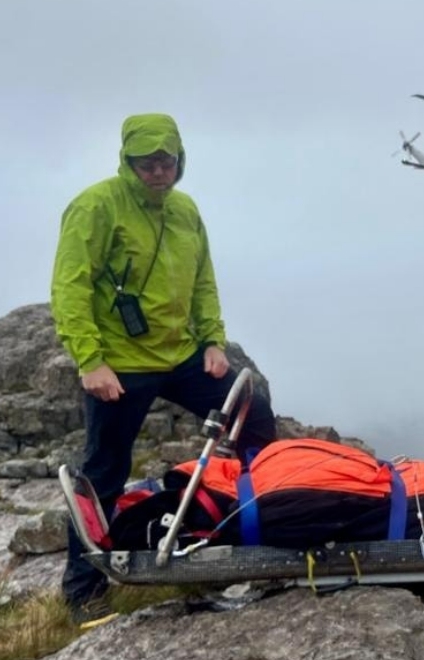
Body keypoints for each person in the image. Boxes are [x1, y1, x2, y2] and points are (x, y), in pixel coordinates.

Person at [49, 113, 277, 626]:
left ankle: (260, 530)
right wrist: (91, 360)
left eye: (165, 160)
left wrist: (213, 342)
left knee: (254, 417)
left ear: (179, 159)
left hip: (182, 356)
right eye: (145, 162)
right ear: (127, 161)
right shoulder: (95, 206)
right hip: (121, 367)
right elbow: (71, 286)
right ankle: (83, 592)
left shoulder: (185, 210)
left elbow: (203, 282)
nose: (157, 171)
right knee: (105, 469)